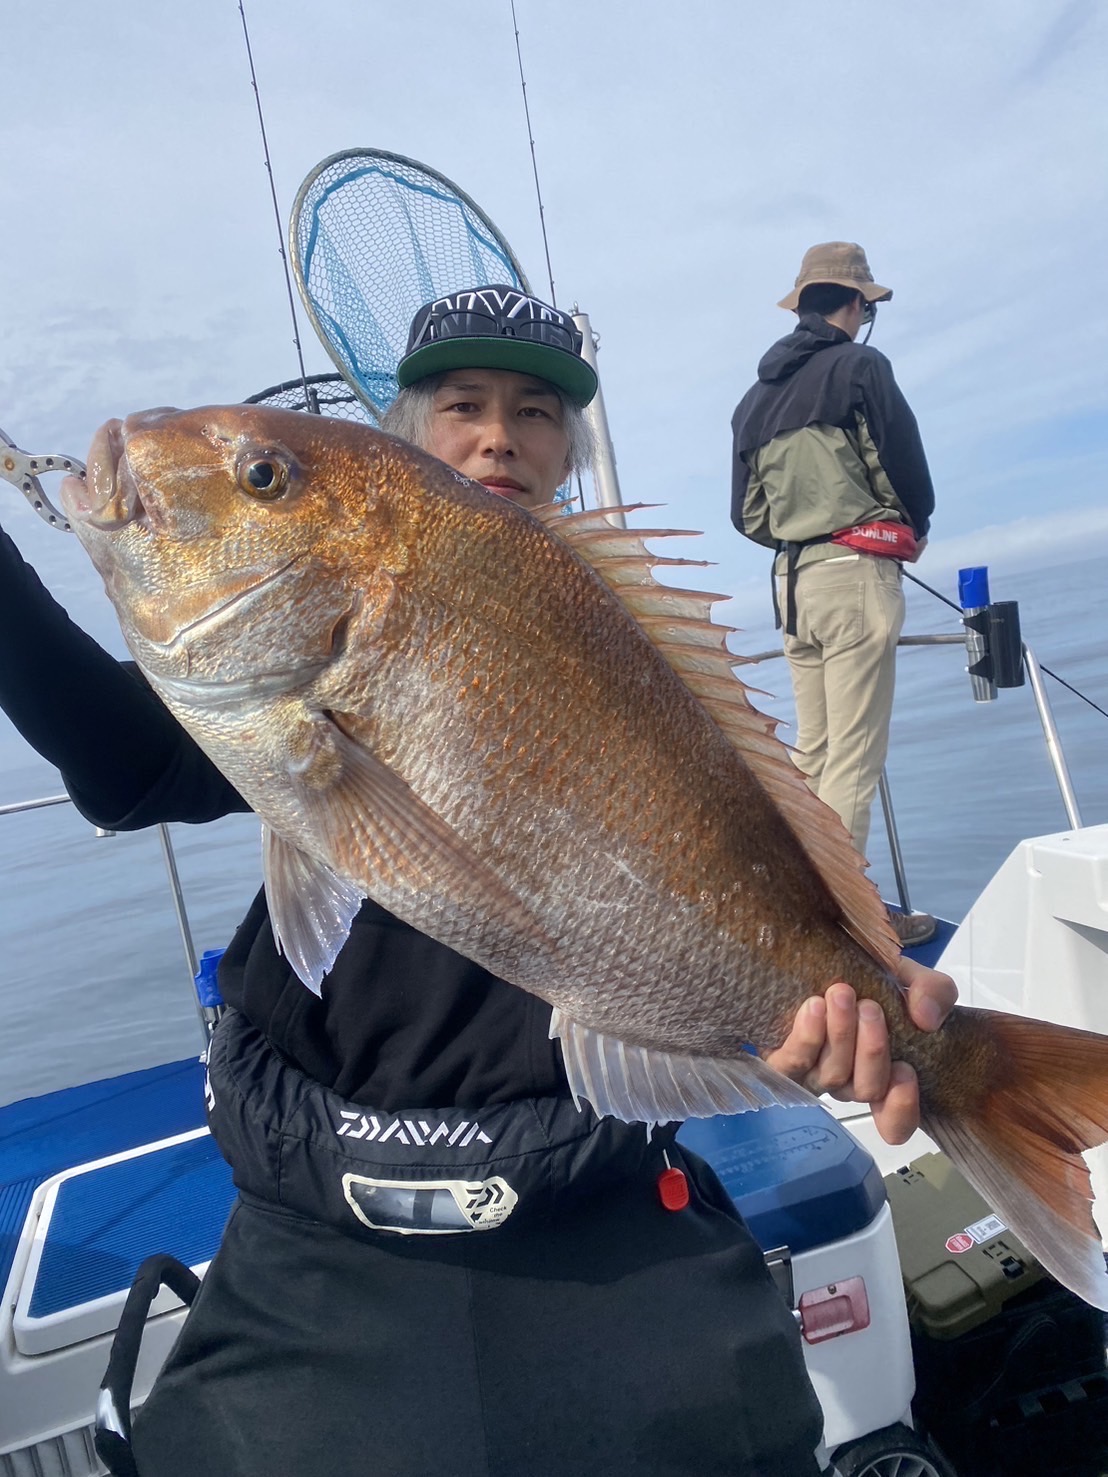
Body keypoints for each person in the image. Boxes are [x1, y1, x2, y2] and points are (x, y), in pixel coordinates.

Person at [0, 283, 956, 1477]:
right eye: (463, 403)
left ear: (566, 450)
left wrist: (836, 1014)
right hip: (320, 1232)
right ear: (404, 434)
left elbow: (746, 841)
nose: (500, 434)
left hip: (599, 1207)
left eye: (535, 411)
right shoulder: (313, 640)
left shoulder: (608, 631)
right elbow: (125, 765)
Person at [730, 243, 937, 947]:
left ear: (802, 306)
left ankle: (800, 909)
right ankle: (846, 928)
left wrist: (803, 531)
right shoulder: (860, 367)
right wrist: (907, 526)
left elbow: (747, 516)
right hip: (854, 577)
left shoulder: (753, 401)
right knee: (852, 758)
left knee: (813, 755)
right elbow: (904, 466)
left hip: (792, 586)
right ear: (855, 304)